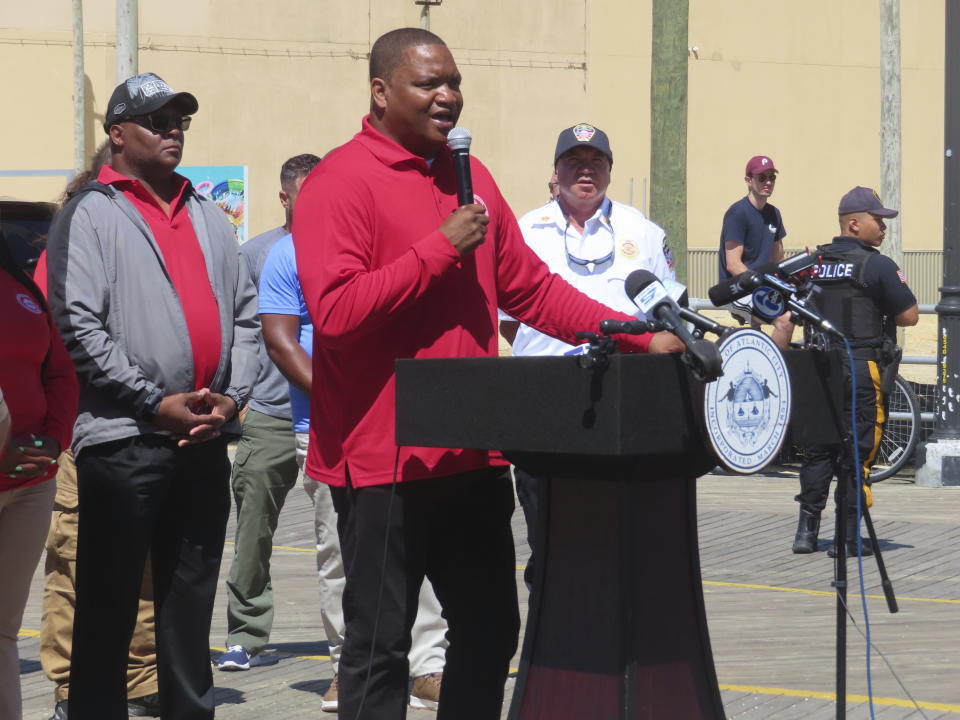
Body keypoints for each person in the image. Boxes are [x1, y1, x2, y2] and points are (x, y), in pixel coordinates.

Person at [292, 27, 683, 720]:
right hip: (383, 462)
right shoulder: (338, 182)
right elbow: (338, 311)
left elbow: (530, 291)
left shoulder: (470, 176)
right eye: (428, 83)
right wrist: (437, 251)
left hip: (472, 453)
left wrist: (633, 337)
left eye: (453, 81)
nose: (448, 96)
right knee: (380, 647)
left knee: (491, 631)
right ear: (381, 93)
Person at [45, 72, 259, 720]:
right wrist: (151, 402)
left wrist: (231, 399)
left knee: (188, 612)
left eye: (180, 121)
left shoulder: (206, 215)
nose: (174, 131)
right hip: (125, 444)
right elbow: (78, 325)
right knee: (108, 613)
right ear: (116, 134)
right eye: (157, 120)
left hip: (201, 441)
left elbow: (246, 317)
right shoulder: (90, 213)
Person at [259, 231, 449, 712]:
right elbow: (282, 342)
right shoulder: (287, 255)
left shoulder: (378, 246)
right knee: (340, 552)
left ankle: (427, 666)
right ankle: (350, 666)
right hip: (323, 427)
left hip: (398, 422)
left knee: (416, 548)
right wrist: (337, 395)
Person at [500, 123, 676, 586]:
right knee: (546, 532)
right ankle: (549, 643)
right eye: (574, 162)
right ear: (555, 172)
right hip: (543, 398)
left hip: (618, 397)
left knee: (614, 531)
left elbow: (664, 312)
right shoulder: (525, 229)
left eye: (595, 162)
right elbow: (508, 318)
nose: (585, 170)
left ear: (610, 171)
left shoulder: (642, 231)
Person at [35, 141, 162, 720]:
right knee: (74, 558)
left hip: (144, 425)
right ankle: (68, 683)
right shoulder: (73, 233)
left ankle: (140, 676)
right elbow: (61, 337)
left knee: (144, 561)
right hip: (83, 429)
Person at [216, 153, 321, 673]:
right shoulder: (257, 252)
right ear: (284, 197)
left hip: (329, 415)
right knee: (254, 531)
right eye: (306, 195)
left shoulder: (343, 246)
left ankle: (356, 637)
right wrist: (243, 395)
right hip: (271, 414)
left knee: (342, 537)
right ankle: (246, 634)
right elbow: (238, 330)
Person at [791, 186, 918, 556]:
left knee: (817, 453)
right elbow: (908, 315)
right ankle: (847, 538)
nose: (883, 228)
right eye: (878, 220)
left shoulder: (813, 262)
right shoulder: (877, 264)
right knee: (857, 453)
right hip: (860, 367)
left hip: (817, 369)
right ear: (854, 223)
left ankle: (805, 533)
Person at [0, 230, 78, 720]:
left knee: (4, 627)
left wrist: (52, 441)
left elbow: (60, 373)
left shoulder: (21, 287)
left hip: (29, 482)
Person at [718, 155, 794, 348]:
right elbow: (733, 264)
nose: (768, 182)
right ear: (748, 180)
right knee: (784, 320)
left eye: (772, 177)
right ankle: (777, 371)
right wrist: (764, 287)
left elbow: (778, 258)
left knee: (802, 309)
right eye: (762, 177)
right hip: (735, 289)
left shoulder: (774, 213)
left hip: (760, 287)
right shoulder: (738, 213)